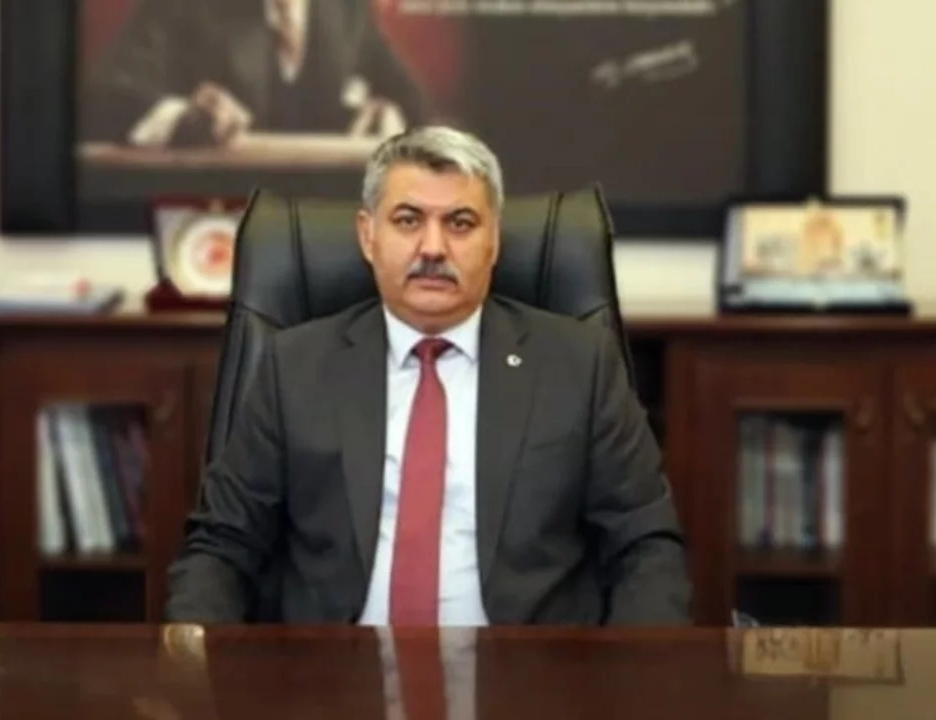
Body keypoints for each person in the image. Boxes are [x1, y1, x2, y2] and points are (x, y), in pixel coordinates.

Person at [165, 126, 693, 626]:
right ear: (368, 235)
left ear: (494, 241)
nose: (434, 248)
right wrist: (190, 661)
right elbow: (222, 544)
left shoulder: (579, 363)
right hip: (335, 670)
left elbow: (644, 543)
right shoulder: (294, 366)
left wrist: (636, 672)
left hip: (527, 669)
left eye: (460, 223)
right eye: (408, 220)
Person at [81, 0, 427, 148]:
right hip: (209, 211)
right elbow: (108, 94)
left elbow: (417, 109)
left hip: (318, 214)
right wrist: (183, 118)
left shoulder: (347, 8)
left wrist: (391, 118)